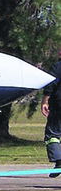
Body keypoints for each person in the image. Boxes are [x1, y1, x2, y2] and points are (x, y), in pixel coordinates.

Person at [40, 49, 61, 177]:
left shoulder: (57, 67)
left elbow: (50, 85)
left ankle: (59, 161)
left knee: (52, 135)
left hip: (59, 105)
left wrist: (44, 101)